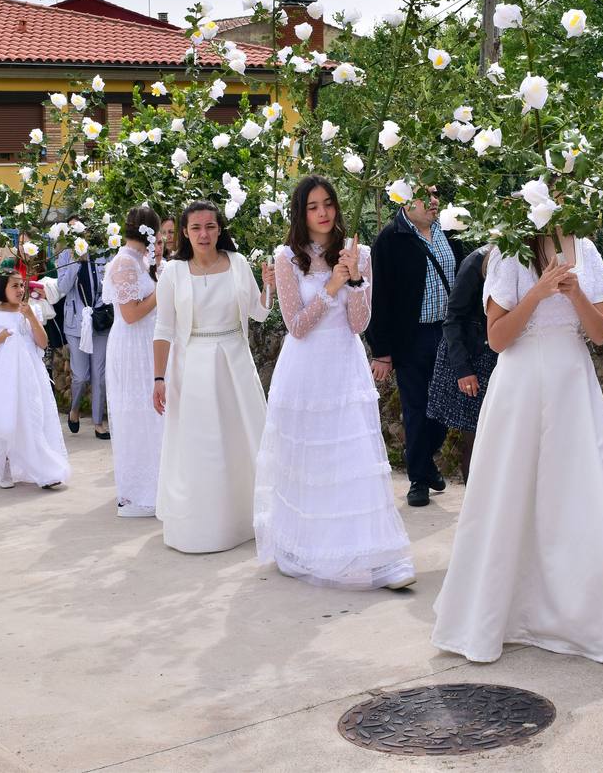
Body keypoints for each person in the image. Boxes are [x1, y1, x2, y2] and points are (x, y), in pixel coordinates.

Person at [431, 231, 603, 665]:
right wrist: (539, 290)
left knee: (584, 501)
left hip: (573, 384)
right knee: (510, 501)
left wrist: (575, 295)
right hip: (521, 385)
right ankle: (502, 616)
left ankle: (590, 623)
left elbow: (601, 334)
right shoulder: (509, 251)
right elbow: (497, 338)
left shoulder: (586, 248)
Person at [254, 176, 415, 590]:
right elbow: (296, 326)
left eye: (328, 203)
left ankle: (371, 552)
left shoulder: (355, 252)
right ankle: (307, 547)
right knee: (311, 464)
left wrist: (357, 278)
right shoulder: (287, 256)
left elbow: (359, 323)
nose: (323, 212)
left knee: (353, 458)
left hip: (345, 367)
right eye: (313, 206)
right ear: (300, 213)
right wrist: (333, 283)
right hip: (305, 372)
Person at [152, 200, 274, 553]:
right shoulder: (172, 274)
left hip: (235, 362)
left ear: (220, 229)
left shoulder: (237, 264)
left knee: (241, 438)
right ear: (185, 233)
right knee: (202, 447)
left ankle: (247, 517)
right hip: (192, 368)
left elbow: (259, 313)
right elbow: (163, 329)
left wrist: (268, 287)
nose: (203, 234)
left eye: (210, 226)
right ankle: (205, 523)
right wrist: (159, 378)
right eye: (195, 228)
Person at [368, 187, 468, 507]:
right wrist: (381, 350)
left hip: (449, 334)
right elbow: (378, 298)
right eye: (426, 196)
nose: (435, 201)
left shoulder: (450, 230)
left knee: (443, 409)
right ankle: (418, 480)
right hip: (411, 337)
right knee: (415, 407)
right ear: (405, 201)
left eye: (435, 195)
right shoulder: (390, 238)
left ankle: (425, 463)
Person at [0, 258, 70, 490]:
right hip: (2, 377)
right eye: (15, 285)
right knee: (5, 419)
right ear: (3, 287)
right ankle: (3, 467)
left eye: (22, 285)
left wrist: (31, 318)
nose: (20, 290)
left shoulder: (29, 311)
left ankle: (45, 470)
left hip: (31, 375)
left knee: (33, 418)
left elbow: (42, 343)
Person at [102, 207, 164, 516]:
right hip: (132, 347)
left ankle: (156, 484)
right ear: (150, 231)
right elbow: (130, 314)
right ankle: (138, 491)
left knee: (153, 417)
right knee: (136, 415)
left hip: (147, 343)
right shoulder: (125, 262)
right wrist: (162, 291)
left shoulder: (142, 261)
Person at [427, 245, 497, 483]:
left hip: (497, 358)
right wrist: (463, 370)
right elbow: (453, 319)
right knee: (474, 438)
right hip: (471, 358)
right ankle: (473, 510)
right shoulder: (478, 260)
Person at [56, 224, 111, 439]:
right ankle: (74, 409)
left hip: (99, 321)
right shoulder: (65, 257)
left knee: (99, 375)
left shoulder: (101, 255)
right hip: (75, 324)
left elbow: (107, 286)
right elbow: (62, 287)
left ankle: (98, 423)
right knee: (80, 376)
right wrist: (76, 264)